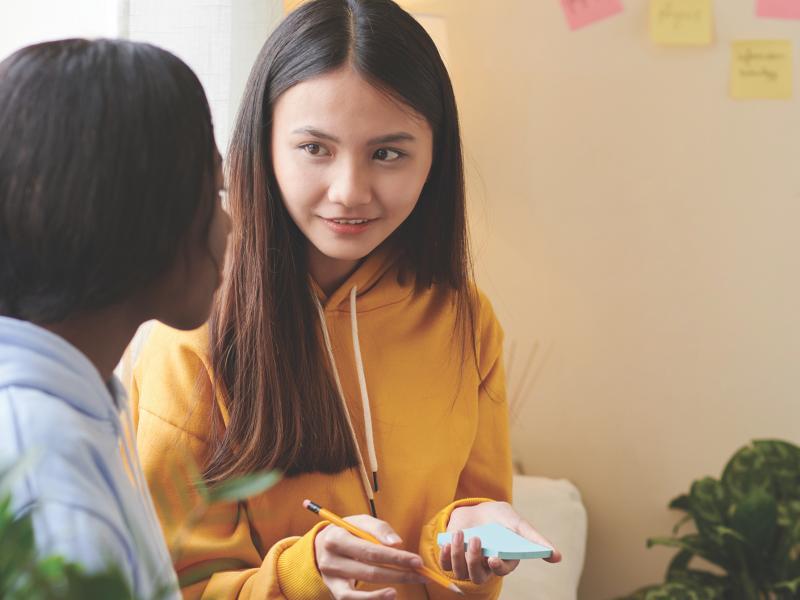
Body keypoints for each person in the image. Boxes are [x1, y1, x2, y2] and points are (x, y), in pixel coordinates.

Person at [132, 1, 561, 598]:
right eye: (315, 148)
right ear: (264, 144)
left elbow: (467, 513)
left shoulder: (464, 318)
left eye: (388, 153)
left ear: (436, 157)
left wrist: (465, 533)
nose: (349, 191)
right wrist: (304, 574)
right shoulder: (193, 327)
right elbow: (173, 585)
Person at [0, 38, 230, 599]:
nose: (228, 227)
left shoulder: (87, 394)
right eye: (217, 191)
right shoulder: (43, 474)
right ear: (147, 210)